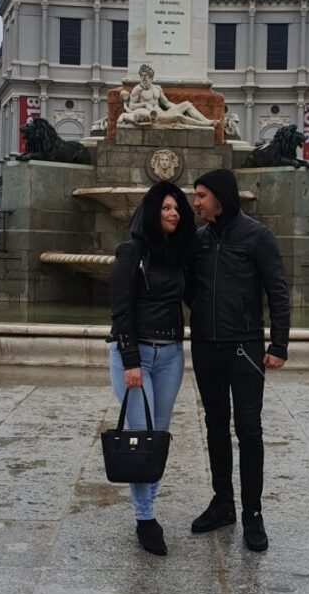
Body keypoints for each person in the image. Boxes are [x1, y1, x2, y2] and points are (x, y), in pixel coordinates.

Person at [187, 168, 290, 552]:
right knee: (215, 426)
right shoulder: (198, 240)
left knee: (248, 429)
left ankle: (253, 514)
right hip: (206, 347)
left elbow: (277, 292)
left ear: (220, 197)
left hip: (244, 348)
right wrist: (202, 316)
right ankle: (222, 503)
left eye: (201, 195)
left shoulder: (257, 236)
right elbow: (189, 290)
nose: (195, 202)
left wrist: (278, 345)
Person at [108, 180, 198, 556]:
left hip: (171, 355)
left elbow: (194, 298)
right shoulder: (130, 252)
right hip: (136, 356)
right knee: (141, 435)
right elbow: (121, 308)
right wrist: (130, 360)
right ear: (151, 212)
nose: (173, 213)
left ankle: (148, 507)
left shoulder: (179, 255)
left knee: (157, 438)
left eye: (176, 207)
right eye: (165, 207)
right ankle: (145, 518)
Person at [118, 64, 218, 128]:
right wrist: (144, 104)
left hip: (163, 113)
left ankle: (207, 121)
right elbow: (131, 106)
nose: (143, 79)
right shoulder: (138, 89)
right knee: (178, 116)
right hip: (154, 116)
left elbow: (166, 103)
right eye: (142, 76)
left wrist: (178, 108)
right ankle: (204, 125)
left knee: (187, 104)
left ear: (151, 78)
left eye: (146, 76)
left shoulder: (157, 88)